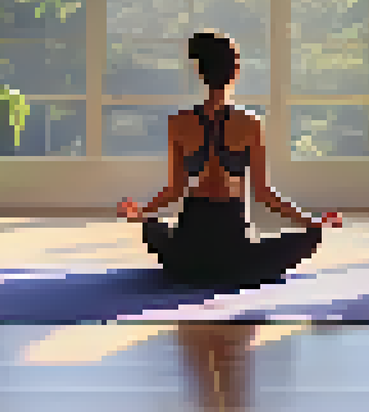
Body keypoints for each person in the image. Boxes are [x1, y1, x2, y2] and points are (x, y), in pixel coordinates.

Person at [118, 31, 342, 289]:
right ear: (235, 72)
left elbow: (174, 191)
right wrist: (311, 222)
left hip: (190, 249)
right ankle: (230, 268)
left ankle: (195, 266)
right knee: (310, 237)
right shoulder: (250, 124)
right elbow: (264, 194)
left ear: (200, 73)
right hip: (234, 250)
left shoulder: (178, 123)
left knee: (151, 228)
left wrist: (141, 213)